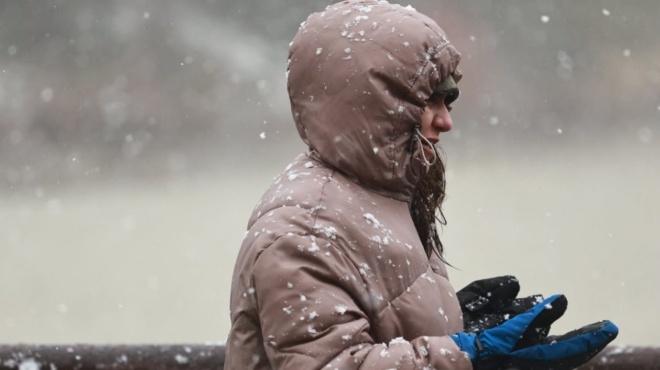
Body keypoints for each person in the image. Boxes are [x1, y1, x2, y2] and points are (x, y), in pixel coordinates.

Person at [225, 1, 618, 369]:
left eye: (449, 99)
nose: (446, 120)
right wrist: (468, 354)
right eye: (428, 100)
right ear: (371, 106)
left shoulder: (372, 196)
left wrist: (449, 324)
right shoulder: (306, 229)